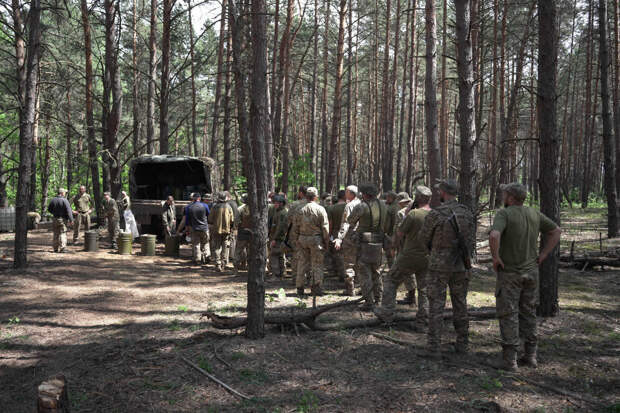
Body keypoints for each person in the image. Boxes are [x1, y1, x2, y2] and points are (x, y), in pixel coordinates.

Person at [489, 183, 561, 371]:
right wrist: (544, 254)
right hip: (531, 273)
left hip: (510, 273)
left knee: (508, 313)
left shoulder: (504, 214)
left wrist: (496, 257)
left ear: (511, 197)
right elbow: (556, 231)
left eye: (505, 193)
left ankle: (509, 360)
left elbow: (495, 235)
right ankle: (530, 355)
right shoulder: (534, 213)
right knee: (529, 312)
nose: (503, 196)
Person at [420, 179, 475, 357]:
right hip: (460, 265)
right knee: (460, 304)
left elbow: (424, 238)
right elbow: (470, 241)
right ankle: (463, 345)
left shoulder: (436, 214)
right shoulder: (467, 213)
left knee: (436, 305)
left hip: (438, 266)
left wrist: (435, 251)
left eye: (439, 191)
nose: (438, 194)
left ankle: (434, 347)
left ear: (443, 193)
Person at [374, 186, 433, 330]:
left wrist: (392, 248)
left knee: (391, 281)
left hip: (409, 256)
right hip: (427, 257)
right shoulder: (434, 215)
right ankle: (422, 320)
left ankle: (387, 315)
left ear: (417, 198)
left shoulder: (413, 214)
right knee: (424, 288)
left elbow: (399, 234)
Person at [347, 183, 388, 310]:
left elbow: (350, 220)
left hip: (364, 243)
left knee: (365, 273)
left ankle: (369, 302)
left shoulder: (362, 206)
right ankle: (379, 299)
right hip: (379, 241)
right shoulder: (383, 205)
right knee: (376, 271)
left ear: (364, 194)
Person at [291, 187, 330, 296]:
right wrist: (326, 241)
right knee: (317, 264)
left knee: (302, 263)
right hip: (316, 239)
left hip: (302, 239)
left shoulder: (299, 209)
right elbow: (325, 228)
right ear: (316, 196)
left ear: (305, 196)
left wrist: (295, 240)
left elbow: (295, 227)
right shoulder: (320, 209)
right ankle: (316, 287)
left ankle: (300, 287)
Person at [333, 185, 361, 296]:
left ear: (350, 193)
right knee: (360, 263)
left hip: (350, 237)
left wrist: (339, 238)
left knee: (349, 264)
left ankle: (350, 289)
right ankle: (361, 287)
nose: (345, 194)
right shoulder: (362, 204)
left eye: (346, 192)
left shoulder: (349, 205)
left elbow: (346, 223)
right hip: (361, 237)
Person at [178, 192, 210, 265]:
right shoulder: (205, 206)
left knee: (196, 244)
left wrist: (187, 229)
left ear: (193, 199)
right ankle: (207, 256)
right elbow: (208, 215)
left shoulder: (188, 207)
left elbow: (187, 221)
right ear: (200, 198)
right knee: (205, 243)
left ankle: (197, 260)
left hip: (194, 228)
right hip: (204, 228)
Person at [286, 186, 308, 280]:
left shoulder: (294, 204)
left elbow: (288, 218)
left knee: (296, 255)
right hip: (311, 233)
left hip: (296, 233)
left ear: (300, 193)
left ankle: (296, 277)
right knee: (309, 255)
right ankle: (308, 277)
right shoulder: (316, 205)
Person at [208, 192, 234, 272]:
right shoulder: (229, 207)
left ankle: (218, 264)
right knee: (225, 247)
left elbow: (210, 219)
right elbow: (232, 220)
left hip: (216, 231)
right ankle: (223, 263)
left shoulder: (214, 207)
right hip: (226, 231)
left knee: (217, 247)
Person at [328, 190, 347, 282]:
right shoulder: (349, 206)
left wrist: (329, 235)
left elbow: (330, 224)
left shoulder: (332, 208)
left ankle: (341, 274)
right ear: (344, 196)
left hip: (335, 233)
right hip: (347, 233)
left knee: (337, 254)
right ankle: (348, 275)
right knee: (347, 255)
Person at [47, 188, 73, 253]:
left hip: (55, 219)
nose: (65, 194)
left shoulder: (53, 200)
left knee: (55, 233)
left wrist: (54, 213)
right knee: (63, 233)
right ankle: (63, 248)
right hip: (63, 219)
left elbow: (49, 209)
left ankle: (55, 248)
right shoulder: (65, 200)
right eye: (64, 192)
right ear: (62, 193)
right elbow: (69, 211)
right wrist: (71, 220)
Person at [269, 194, 289, 278]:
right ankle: (282, 273)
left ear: (281, 203)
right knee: (280, 255)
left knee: (274, 255)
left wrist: (274, 239)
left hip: (279, 238)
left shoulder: (282, 213)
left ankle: (276, 274)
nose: (275, 205)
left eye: (277, 203)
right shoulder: (281, 212)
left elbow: (279, 228)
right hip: (281, 238)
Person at [235, 195, 252, 271]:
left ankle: (236, 267)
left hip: (242, 232)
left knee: (238, 250)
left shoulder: (240, 209)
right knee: (250, 250)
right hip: (252, 233)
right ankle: (249, 267)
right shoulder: (255, 209)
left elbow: (237, 222)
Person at [225, 191, 239, 266]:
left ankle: (232, 256)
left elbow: (233, 216)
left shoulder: (229, 204)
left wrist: (233, 226)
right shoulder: (234, 203)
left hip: (231, 225)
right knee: (233, 241)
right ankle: (232, 256)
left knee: (231, 241)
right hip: (234, 225)